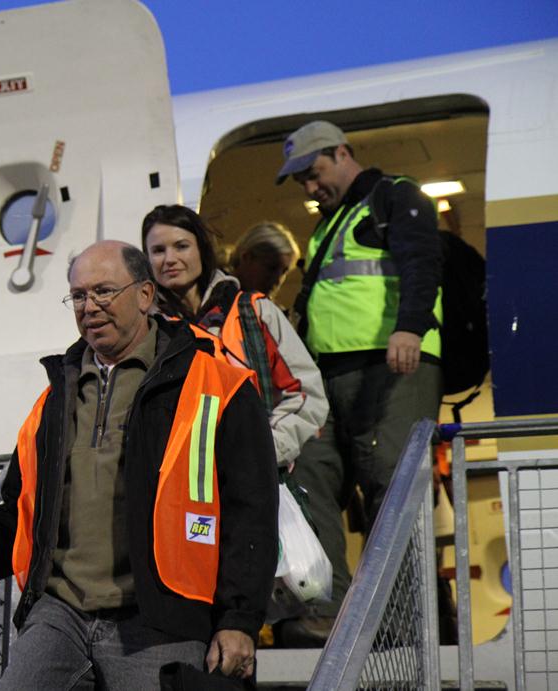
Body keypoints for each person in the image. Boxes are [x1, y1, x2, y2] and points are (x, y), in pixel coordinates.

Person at [0, 240, 279, 689]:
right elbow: (16, 519)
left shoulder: (219, 383)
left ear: (144, 296)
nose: (90, 307)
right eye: (79, 296)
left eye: (103, 291)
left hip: (161, 618)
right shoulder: (54, 402)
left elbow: (251, 513)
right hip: (61, 612)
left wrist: (238, 618)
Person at [274, 120, 444, 646]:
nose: (309, 187)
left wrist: (410, 327)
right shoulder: (331, 223)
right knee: (310, 477)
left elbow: (422, 261)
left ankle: (402, 622)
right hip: (333, 378)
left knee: (390, 488)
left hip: (393, 367)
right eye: (300, 179)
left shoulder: (393, 196)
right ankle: (327, 609)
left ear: (343, 153)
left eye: (313, 172)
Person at [141, 205, 327, 471]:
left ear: (202, 250)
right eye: (158, 250)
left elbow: (305, 392)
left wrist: (266, 451)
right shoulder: (147, 331)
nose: (169, 259)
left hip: (256, 479)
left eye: (181, 246)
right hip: (181, 484)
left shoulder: (254, 311)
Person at [228, 221, 302, 299]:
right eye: (271, 268)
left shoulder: (267, 310)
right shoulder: (215, 292)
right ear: (246, 258)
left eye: (284, 272)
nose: (278, 280)